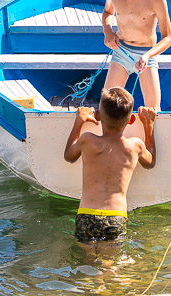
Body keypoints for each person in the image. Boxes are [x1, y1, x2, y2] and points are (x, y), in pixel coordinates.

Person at [64, 87, 156, 243]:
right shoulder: (135, 146)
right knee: (112, 265)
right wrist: (149, 125)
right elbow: (150, 162)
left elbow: (69, 156)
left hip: (87, 214)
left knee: (86, 263)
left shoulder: (88, 140)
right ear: (131, 120)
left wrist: (79, 121)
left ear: (98, 116)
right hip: (116, 216)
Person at [102, 0, 171, 110]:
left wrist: (148, 56)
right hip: (121, 52)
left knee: (153, 109)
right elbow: (107, 13)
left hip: (146, 55)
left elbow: (167, 37)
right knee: (107, 105)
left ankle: (149, 136)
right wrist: (108, 32)